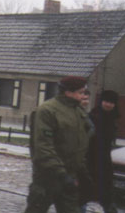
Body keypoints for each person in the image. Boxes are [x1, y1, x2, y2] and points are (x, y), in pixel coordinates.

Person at [25, 76, 91, 213]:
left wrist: (83, 172)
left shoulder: (78, 112)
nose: (83, 96)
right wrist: (62, 175)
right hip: (47, 178)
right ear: (68, 92)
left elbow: (80, 145)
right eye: (80, 92)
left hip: (70, 178)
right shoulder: (47, 111)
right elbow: (43, 147)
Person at [81, 90, 120, 213]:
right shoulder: (93, 116)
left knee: (106, 191)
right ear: (101, 101)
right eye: (106, 101)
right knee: (87, 190)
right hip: (90, 158)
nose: (108, 104)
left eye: (111, 102)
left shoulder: (113, 118)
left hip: (105, 160)